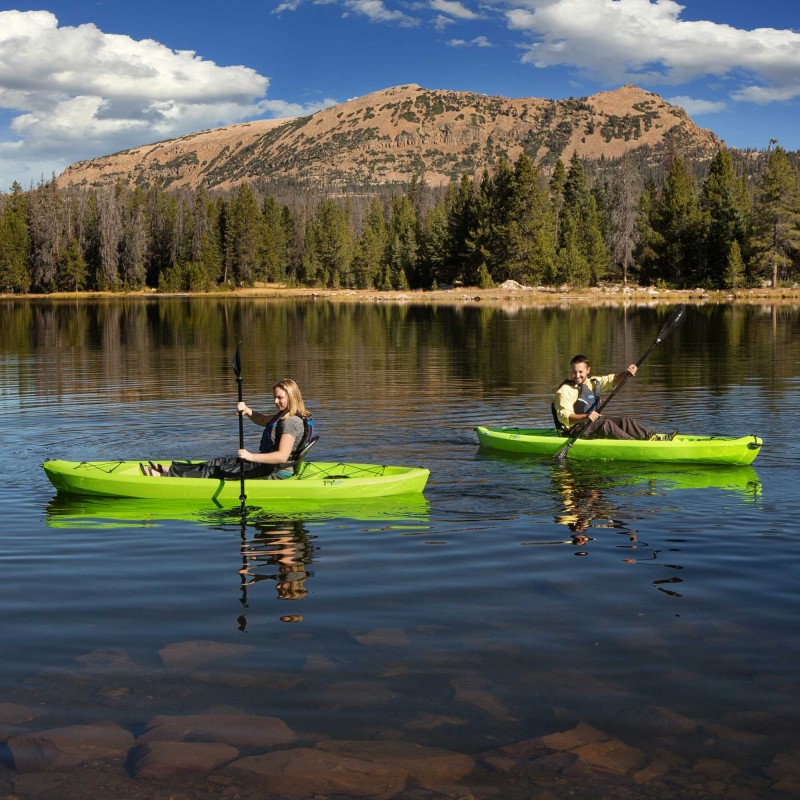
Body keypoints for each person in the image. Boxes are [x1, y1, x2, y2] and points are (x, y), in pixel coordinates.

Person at [142, 378, 314, 479]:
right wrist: (247, 411)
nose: (275, 401)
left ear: (291, 396)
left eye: (280, 398)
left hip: (275, 472)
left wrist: (250, 456)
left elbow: (282, 456)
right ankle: (172, 470)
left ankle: (165, 477)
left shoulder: (290, 423)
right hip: (266, 465)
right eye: (274, 397)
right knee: (218, 463)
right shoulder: (285, 415)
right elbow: (263, 420)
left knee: (218, 470)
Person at [553, 354, 675, 441]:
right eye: (574, 372)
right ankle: (632, 444)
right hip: (574, 431)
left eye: (580, 372)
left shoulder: (593, 383)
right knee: (606, 424)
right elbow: (565, 418)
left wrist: (627, 373)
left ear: (588, 370)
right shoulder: (564, 391)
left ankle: (652, 438)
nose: (577, 375)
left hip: (592, 425)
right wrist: (586, 416)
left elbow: (613, 379)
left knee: (624, 420)